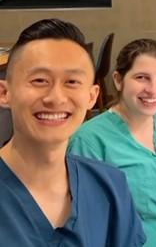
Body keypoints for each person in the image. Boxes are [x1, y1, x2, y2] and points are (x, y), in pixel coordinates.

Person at [0, 19, 145, 246]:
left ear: (91, 96)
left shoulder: (109, 187)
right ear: (4, 93)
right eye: (39, 80)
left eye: (72, 82)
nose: (56, 97)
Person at [68, 39, 156, 247]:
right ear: (119, 80)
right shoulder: (89, 142)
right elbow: (89, 229)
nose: (153, 89)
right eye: (141, 77)